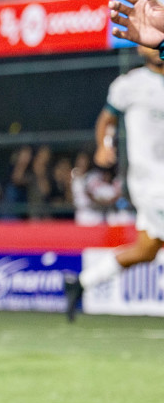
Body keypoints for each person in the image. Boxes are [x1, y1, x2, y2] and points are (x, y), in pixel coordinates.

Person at [63, 46, 164, 319]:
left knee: (147, 250)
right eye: (151, 43)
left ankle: (81, 283)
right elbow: (107, 119)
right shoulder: (129, 85)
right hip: (151, 184)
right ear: (141, 49)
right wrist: (104, 145)